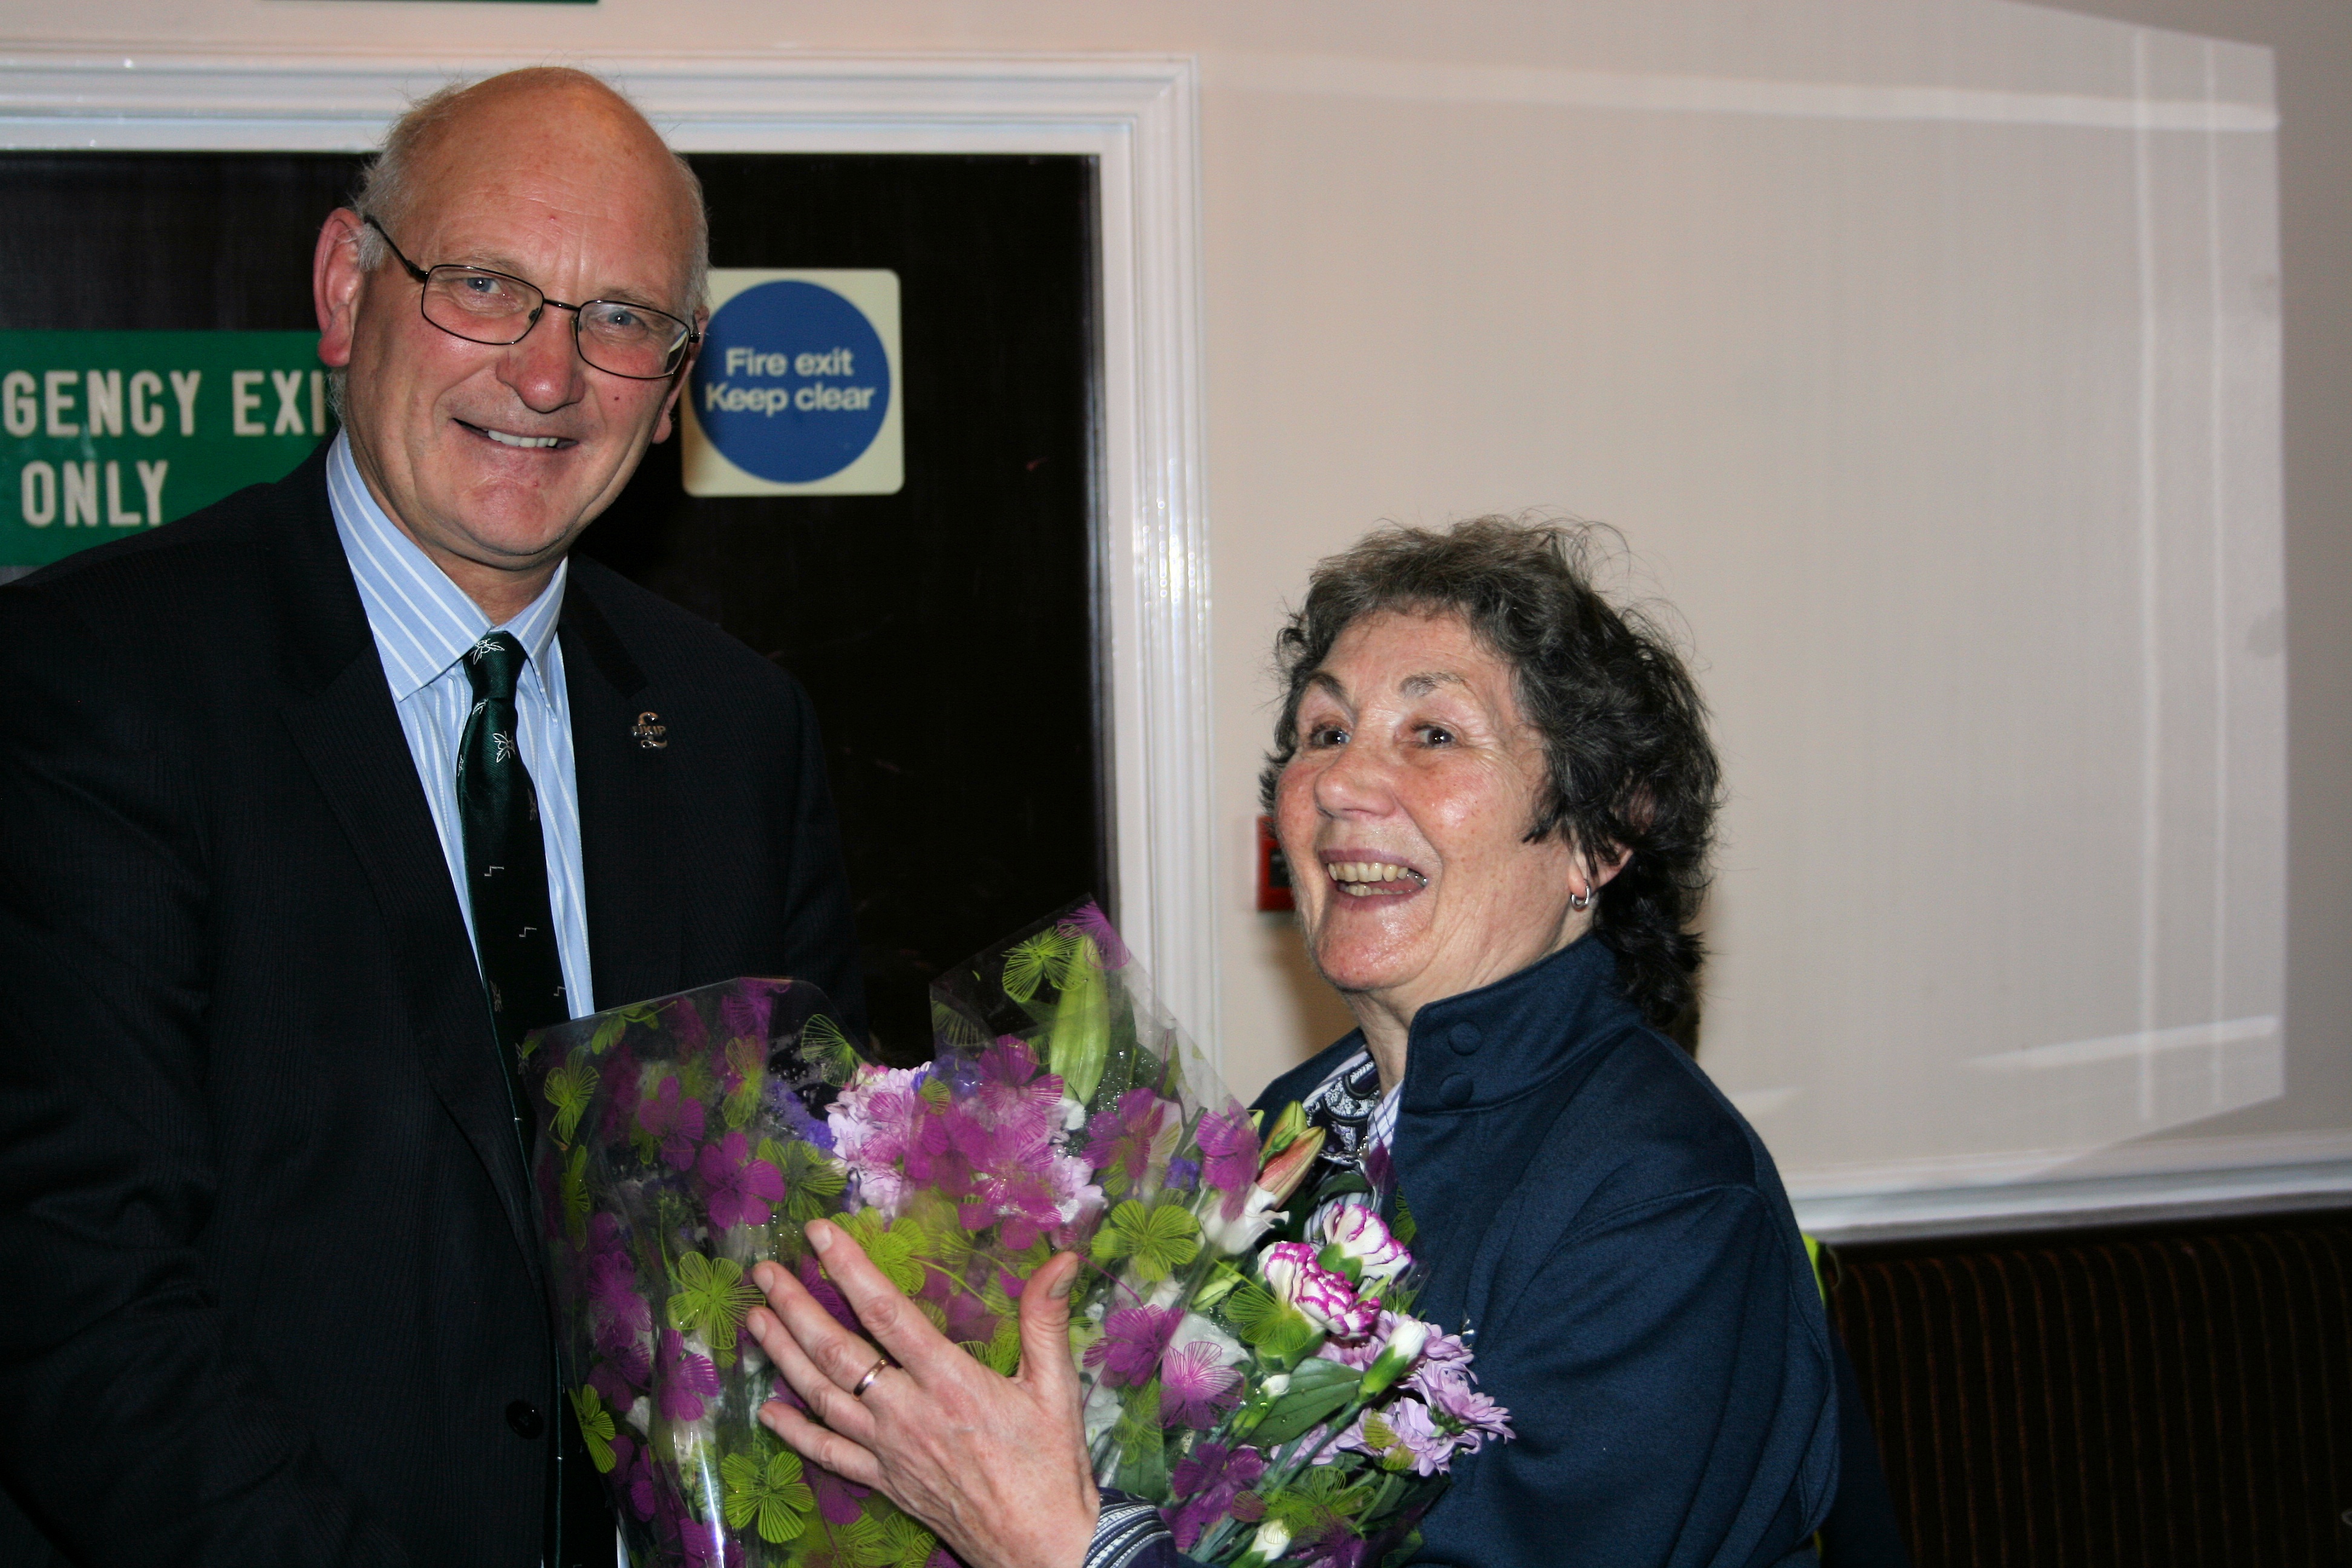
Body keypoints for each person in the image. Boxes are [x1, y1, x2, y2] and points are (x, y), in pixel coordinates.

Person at [0, 69, 864, 1568]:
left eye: (621, 321)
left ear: (673, 387)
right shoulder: (88, 684)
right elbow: (71, 1294)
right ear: (347, 289)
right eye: (486, 286)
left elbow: (795, 1252)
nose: (550, 377)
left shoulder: (735, 735)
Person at [740, 518, 1841, 1567]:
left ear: (1601, 839)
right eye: (1324, 733)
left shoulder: (1662, 1204)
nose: (1341, 785)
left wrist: (1064, 1547)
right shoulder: (1295, 1124)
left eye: (1435, 733)